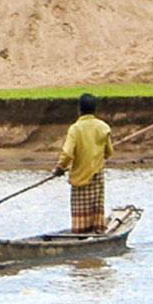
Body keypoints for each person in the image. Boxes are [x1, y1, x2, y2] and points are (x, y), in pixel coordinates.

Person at [52, 93, 114, 233]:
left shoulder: (75, 129)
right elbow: (109, 152)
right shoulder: (103, 127)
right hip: (97, 176)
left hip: (80, 176)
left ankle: (81, 233)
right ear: (95, 109)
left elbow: (67, 153)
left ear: (79, 110)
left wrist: (60, 168)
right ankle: (97, 230)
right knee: (96, 207)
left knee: (81, 213)